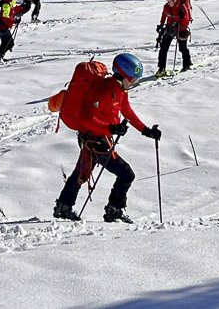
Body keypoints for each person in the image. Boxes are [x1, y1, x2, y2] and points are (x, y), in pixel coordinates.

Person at [53, 53, 161, 223]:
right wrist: (110, 128)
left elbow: (127, 111)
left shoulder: (121, 91)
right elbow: (87, 119)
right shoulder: (104, 91)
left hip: (99, 139)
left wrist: (146, 130)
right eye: (132, 80)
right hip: (95, 141)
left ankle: (63, 206)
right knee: (126, 174)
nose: (133, 84)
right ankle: (113, 210)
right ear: (121, 75)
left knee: (81, 173)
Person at [156, 0, 192, 77]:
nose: (168, 3)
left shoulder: (182, 7)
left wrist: (182, 17)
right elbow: (164, 15)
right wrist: (161, 25)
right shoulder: (166, 6)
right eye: (167, 1)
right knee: (163, 48)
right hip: (170, 28)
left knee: (182, 48)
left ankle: (187, 64)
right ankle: (161, 69)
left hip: (181, 29)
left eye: (170, 1)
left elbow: (186, 21)